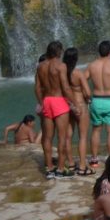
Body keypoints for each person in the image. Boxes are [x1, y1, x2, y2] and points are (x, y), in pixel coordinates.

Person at [35, 41, 79, 179]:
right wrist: (75, 103)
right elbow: (65, 88)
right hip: (59, 101)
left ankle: (49, 169)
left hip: (46, 101)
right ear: (58, 52)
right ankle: (60, 169)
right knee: (62, 136)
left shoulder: (40, 66)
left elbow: (36, 88)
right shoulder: (61, 66)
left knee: (47, 137)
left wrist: (41, 102)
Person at [63, 47, 93, 175]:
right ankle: (82, 166)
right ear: (75, 59)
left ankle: (70, 163)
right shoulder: (78, 73)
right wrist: (88, 100)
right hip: (80, 105)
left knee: (68, 136)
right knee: (83, 137)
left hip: (68, 105)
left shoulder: (62, 73)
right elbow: (87, 92)